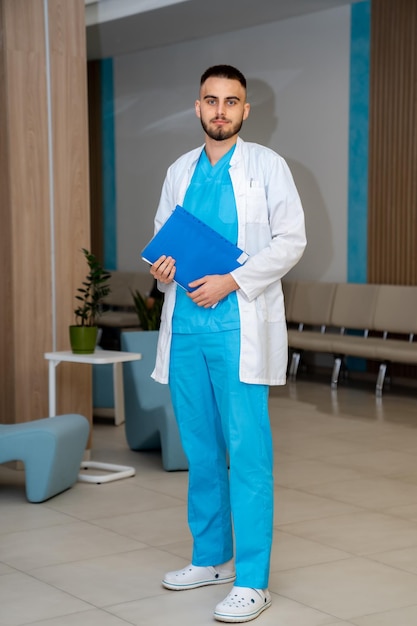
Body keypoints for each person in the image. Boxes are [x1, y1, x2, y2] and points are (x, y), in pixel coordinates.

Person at [148, 64, 306, 623]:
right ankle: (211, 558)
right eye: (210, 100)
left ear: (245, 110)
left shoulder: (268, 166)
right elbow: (165, 243)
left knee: (249, 453)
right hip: (187, 329)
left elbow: (292, 240)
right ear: (197, 107)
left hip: (240, 326)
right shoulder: (178, 171)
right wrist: (164, 270)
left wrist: (233, 281)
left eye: (231, 102)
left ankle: (254, 580)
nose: (220, 110)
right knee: (202, 451)